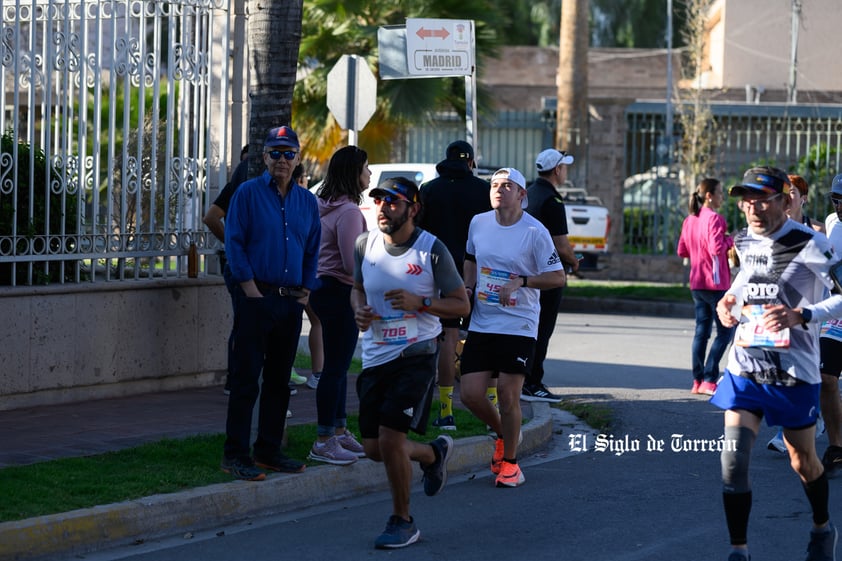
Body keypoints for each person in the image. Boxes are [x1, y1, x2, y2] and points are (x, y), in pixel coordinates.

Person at [712, 166, 842, 561]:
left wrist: (801, 315)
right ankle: (739, 550)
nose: (752, 206)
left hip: (794, 373)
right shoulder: (745, 239)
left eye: (762, 198)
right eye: (746, 199)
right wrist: (727, 302)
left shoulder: (813, 244)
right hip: (746, 366)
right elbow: (742, 282)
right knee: (733, 459)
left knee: (803, 461)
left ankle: (822, 526)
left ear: (786, 201)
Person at [351, 176, 470, 548]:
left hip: (416, 354)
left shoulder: (432, 250)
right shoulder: (364, 244)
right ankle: (434, 453)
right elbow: (357, 288)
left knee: (390, 438)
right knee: (374, 449)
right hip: (375, 356)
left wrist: (422, 304)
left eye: (393, 202)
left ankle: (403, 521)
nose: (384, 208)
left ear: (413, 208)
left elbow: (461, 304)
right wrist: (360, 312)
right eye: (379, 201)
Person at [220, 125, 320, 481]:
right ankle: (235, 454)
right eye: (274, 153)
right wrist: (249, 289)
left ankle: (268, 450)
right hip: (255, 297)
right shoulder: (247, 193)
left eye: (288, 153)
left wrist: (306, 289)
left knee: (279, 381)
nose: (281, 160)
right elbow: (234, 241)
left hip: (290, 302)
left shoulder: (307, 201)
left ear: (297, 158)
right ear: (264, 158)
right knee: (247, 380)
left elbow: (312, 249)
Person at [460, 168, 566, 488]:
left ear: (522, 194)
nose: (498, 190)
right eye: (494, 185)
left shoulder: (535, 231)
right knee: (471, 394)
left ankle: (511, 464)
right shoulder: (479, 222)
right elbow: (470, 258)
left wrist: (523, 281)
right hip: (483, 319)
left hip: (519, 323)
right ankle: (506, 434)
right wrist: (467, 288)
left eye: (507, 186)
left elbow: (557, 277)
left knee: (508, 396)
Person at [418, 140, 491, 430]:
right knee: (487, 336)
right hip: (478, 269)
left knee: (448, 337)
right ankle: (492, 407)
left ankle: (446, 411)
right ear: (470, 162)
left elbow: (419, 228)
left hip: (439, 270)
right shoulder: (484, 190)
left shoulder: (430, 189)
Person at [307, 146, 370, 466]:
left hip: (323, 289)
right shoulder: (348, 213)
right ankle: (323, 439)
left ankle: (339, 430)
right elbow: (350, 264)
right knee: (334, 369)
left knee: (338, 365)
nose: (370, 174)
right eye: (365, 168)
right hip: (339, 292)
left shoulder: (322, 204)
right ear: (353, 174)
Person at [522, 148, 581, 403]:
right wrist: (573, 262)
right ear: (557, 170)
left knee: (528, 328)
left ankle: (523, 379)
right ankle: (533, 383)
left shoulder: (529, 194)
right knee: (542, 329)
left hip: (527, 272)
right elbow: (560, 244)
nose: (566, 171)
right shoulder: (552, 201)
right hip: (547, 275)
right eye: (564, 167)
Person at [677, 178, 735, 396]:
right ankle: (710, 380)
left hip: (697, 282)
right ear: (709, 195)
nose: (723, 196)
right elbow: (716, 248)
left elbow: (682, 251)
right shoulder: (716, 219)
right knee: (725, 331)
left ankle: (697, 380)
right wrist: (732, 240)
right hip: (715, 283)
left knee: (701, 331)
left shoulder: (690, 219)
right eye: (720, 192)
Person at [203, 147, 250, 396]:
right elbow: (210, 218)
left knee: (242, 324)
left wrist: (231, 246)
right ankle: (237, 381)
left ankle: (235, 381)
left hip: (234, 264)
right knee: (246, 326)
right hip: (242, 267)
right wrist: (234, 245)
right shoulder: (247, 185)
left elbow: (211, 217)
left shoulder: (236, 185)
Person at [818, 174, 842, 475]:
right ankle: (837, 445)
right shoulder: (831, 223)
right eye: (835, 198)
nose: (838, 204)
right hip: (836, 310)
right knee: (826, 378)